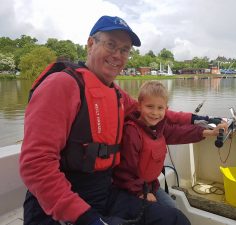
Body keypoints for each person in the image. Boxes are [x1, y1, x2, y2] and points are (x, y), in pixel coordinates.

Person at [19, 15, 217, 225]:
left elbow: (159, 114)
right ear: (90, 44)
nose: (117, 55)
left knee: (174, 219)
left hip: (104, 193)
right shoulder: (61, 85)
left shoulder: (116, 94)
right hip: (57, 206)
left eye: (124, 50)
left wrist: (198, 120)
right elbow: (36, 164)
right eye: (111, 45)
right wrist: (87, 218)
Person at [113, 81, 228, 209]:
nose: (155, 113)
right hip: (133, 190)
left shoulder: (160, 127)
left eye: (160, 108)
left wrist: (211, 132)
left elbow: (180, 133)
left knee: (174, 211)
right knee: (170, 216)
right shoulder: (132, 132)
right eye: (149, 106)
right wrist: (140, 192)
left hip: (151, 185)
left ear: (166, 109)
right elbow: (125, 171)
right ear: (139, 106)